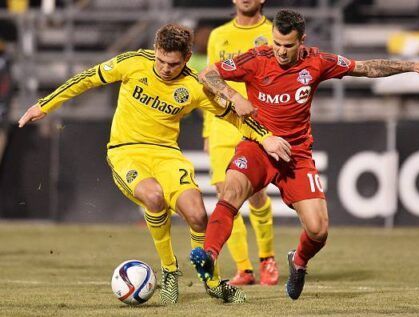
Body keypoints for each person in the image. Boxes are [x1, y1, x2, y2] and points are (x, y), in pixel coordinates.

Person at [18, 23, 291, 304]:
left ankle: (211, 282)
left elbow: (234, 117)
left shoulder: (195, 85)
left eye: (173, 64)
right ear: (155, 50)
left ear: (186, 59)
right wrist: (45, 105)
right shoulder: (134, 63)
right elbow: (88, 78)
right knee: (153, 196)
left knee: (198, 215)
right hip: (126, 152)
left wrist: (266, 137)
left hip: (167, 155)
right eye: (160, 59)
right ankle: (170, 269)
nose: (164, 68)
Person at [190, 9, 419, 300]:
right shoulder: (256, 58)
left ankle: (298, 261)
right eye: (277, 43)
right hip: (259, 146)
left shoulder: (317, 61)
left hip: (296, 155)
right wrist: (235, 96)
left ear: (302, 40)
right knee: (232, 190)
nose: (281, 51)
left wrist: (412, 66)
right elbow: (207, 74)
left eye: (288, 45)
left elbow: (365, 68)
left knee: (318, 230)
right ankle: (208, 256)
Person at [202, 0, 278, 286]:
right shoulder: (218, 35)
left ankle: (266, 258)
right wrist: (209, 131)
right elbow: (209, 83)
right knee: (226, 198)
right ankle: (244, 269)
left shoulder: (273, 34)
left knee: (256, 195)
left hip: (257, 125)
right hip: (222, 125)